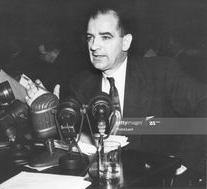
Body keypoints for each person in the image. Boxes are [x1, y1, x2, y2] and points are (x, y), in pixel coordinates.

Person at [26, 1, 206, 186]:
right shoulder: (81, 84)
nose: (94, 46)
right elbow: (73, 141)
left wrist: (183, 160)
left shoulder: (162, 73)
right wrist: (50, 108)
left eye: (105, 37)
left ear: (125, 42)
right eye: (90, 37)